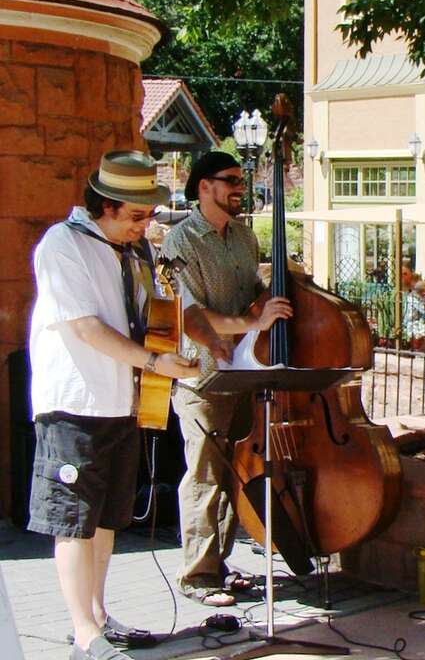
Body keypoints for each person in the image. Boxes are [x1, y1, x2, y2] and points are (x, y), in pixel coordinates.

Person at [28, 151, 198, 660]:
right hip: (74, 404)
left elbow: (150, 318)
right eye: (136, 216)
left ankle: (98, 614)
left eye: (148, 215)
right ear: (105, 205)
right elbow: (84, 326)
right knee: (73, 520)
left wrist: (172, 349)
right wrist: (153, 361)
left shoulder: (133, 252)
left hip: (120, 403)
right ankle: (82, 632)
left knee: (104, 520)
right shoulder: (63, 246)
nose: (146, 226)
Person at [161, 151, 292, 607]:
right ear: (203, 187)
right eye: (230, 180)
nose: (240, 187)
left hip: (244, 372)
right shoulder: (180, 241)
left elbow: (253, 298)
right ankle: (196, 576)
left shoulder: (244, 238)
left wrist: (280, 294)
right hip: (201, 377)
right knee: (204, 475)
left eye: (242, 179)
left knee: (234, 474)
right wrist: (253, 325)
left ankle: (218, 564)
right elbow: (191, 316)